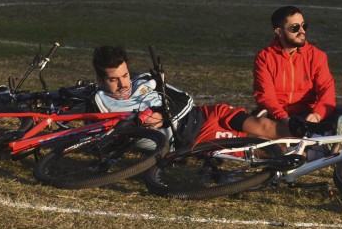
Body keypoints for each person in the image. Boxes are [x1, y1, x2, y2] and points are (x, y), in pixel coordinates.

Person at [89, 45, 285, 150]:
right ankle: (303, 157)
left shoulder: (145, 80)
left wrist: (162, 116)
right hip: (198, 135)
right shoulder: (99, 102)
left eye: (125, 75)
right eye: (114, 80)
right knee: (262, 145)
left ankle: (304, 136)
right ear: (100, 80)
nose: (123, 84)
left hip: (207, 114)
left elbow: (184, 99)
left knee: (265, 126)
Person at [252, 6, 342, 137]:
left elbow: (327, 89)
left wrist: (317, 114)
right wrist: (284, 118)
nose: (302, 31)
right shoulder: (264, 58)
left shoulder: (317, 56)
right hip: (277, 115)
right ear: (279, 32)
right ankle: (312, 138)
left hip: (307, 114)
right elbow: (266, 96)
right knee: (256, 123)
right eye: (295, 28)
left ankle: (310, 135)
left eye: (304, 26)